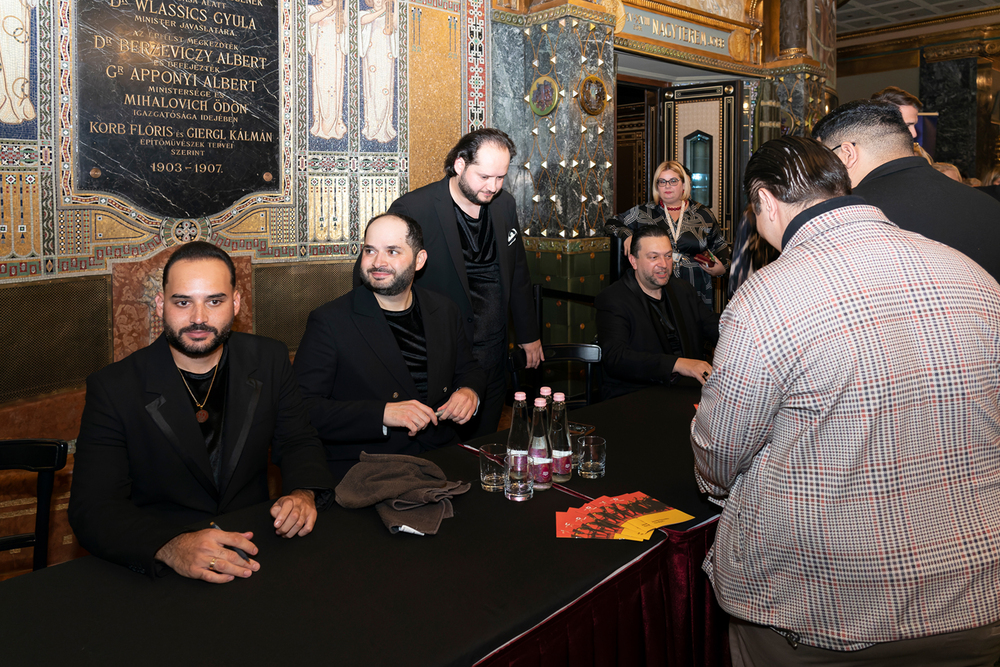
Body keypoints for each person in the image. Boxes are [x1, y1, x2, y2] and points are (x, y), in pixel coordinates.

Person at [691, 136, 1000, 664]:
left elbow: (720, 452)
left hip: (823, 602)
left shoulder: (769, 296)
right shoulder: (971, 275)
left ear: (765, 200)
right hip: (975, 593)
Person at [69, 242, 335, 583]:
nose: (198, 318)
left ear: (236, 303)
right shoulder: (114, 387)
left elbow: (298, 440)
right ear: (160, 305)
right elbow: (92, 508)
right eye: (183, 302)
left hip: (257, 549)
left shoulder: (269, 359)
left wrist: (303, 493)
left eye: (214, 301)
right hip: (167, 568)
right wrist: (171, 546)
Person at [296, 213, 486, 478]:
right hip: (371, 467)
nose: (378, 262)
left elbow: (469, 368)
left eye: (392, 251)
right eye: (369, 250)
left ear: (419, 260)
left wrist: (469, 392)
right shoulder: (330, 321)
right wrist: (382, 413)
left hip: (441, 456)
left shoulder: (444, 311)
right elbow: (303, 409)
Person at [382, 128, 541, 438]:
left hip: (494, 355)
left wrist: (528, 334)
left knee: (486, 445)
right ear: (459, 165)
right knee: (443, 456)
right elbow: (385, 286)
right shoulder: (414, 210)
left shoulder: (504, 205)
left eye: (500, 178)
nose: (493, 187)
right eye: (484, 176)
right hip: (441, 360)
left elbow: (517, 272)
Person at [812, 99, 1000, 282]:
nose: (824, 168)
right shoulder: (989, 206)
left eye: (825, 156)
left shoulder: (847, 218)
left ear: (847, 153)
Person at [596, 225, 719, 400]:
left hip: (685, 390)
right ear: (633, 261)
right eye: (654, 257)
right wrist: (677, 364)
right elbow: (616, 358)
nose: (663, 264)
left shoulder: (682, 290)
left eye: (668, 256)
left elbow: (712, 325)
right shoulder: (613, 298)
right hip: (636, 395)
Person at [605, 160, 730, 308]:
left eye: (673, 181)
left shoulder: (702, 214)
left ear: (684, 185)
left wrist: (722, 269)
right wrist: (626, 234)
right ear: (657, 186)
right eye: (662, 182)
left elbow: (721, 245)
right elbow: (611, 223)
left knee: (694, 328)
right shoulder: (644, 212)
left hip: (696, 287)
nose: (667, 186)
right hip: (656, 286)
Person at [307, 0, 348, 141]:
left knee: (335, 88)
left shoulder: (340, 13)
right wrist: (334, 8)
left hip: (336, 56)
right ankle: (320, 123)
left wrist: (341, 7)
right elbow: (312, 19)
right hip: (321, 56)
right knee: (322, 87)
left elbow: (347, 24)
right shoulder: (313, 9)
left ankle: (336, 123)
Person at [359, 0, 397, 144]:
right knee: (372, 92)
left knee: (385, 91)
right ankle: (371, 126)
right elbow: (363, 20)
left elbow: (396, 24)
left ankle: (385, 127)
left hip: (386, 59)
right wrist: (383, 11)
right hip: (371, 59)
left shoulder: (391, 16)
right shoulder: (365, 14)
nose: (379, 1)